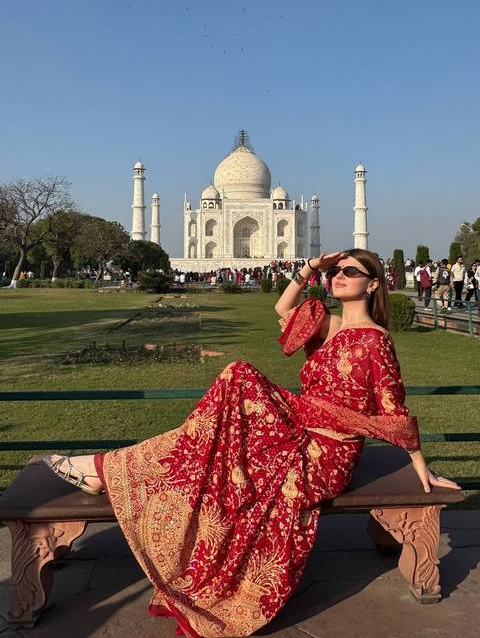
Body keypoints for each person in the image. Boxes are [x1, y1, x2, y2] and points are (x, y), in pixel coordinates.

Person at [43, 249, 460, 638]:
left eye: (350, 271)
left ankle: (103, 469)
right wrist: (310, 267)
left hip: (328, 452)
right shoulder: (327, 325)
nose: (339, 276)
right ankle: (105, 469)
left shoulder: (376, 341)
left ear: (373, 285)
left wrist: (420, 466)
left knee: (238, 376)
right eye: (336, 271)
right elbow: (282, 308)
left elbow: (394, 410)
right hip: (296, 432)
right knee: (217, 446)